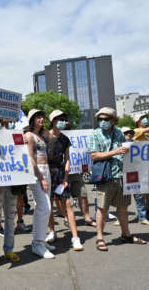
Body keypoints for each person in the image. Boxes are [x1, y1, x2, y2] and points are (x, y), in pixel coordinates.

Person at [89, 107, 146, 252]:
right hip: (105, 176)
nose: (103, 122)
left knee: (123, 208)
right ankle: (100, 237)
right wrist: (116, 151)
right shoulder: (95, 134)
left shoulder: (120, 132)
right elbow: (94, 155)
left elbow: (126, 151)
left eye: (106, 119)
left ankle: (126, 234)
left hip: (121, 175)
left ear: (113, 120)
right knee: (102, 208)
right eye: (100, 119)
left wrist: (128, 149)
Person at [45, 110, 83, 251]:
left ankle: (75, 237)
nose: (62, 121)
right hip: (46, 174)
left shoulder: (65, 139)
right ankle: (52, 231)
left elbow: (67, 159)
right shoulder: (44, 137)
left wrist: (66, 177)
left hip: (60, 174)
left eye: (64, 119)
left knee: (67, 204)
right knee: (49, 204)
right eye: (59, 119)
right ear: (53, 120)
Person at [0, 116, 21, 265]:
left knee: (10, 219)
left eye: (0, 121)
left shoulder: (16, 135)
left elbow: (22, 156)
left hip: (13, 185)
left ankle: (9, 250)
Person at [25, 109, 55, 258]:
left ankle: (40, 240)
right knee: (44, 206)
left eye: (42, 117)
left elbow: (54, 137)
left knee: (44, 207)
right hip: (36, 172)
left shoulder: (42, 136)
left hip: (46, 170)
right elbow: (30, 158)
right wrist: (41, 177)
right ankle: (37, 244)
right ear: (32, 120)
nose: (41, 119)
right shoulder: (29, 136)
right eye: (38, 117)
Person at [133, 114, 149, 220]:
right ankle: (142, 215)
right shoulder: (136, 131)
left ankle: (147, 211)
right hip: (139, 166)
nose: (145, 119)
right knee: (140, 192)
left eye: (145, 117)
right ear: (137, 121)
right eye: (142, 118)